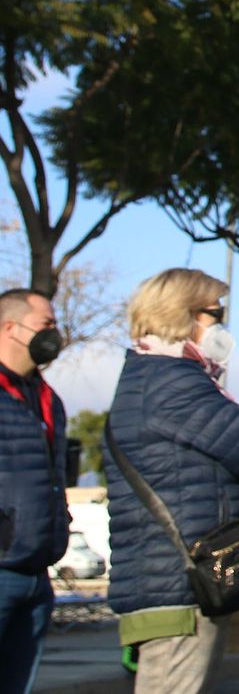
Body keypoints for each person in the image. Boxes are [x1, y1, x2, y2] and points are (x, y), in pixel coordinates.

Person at [105, 269, 239, 694]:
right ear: (181, 314)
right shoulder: (172, 381)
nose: (222, 324)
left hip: (172, 580)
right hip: (180, 588)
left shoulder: (153, 377)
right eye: (214, 313)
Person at [0, 288, 68, 694]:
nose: (54, 333)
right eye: (46, 324)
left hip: (37, 575)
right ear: (10, 327)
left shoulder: (48, 399)